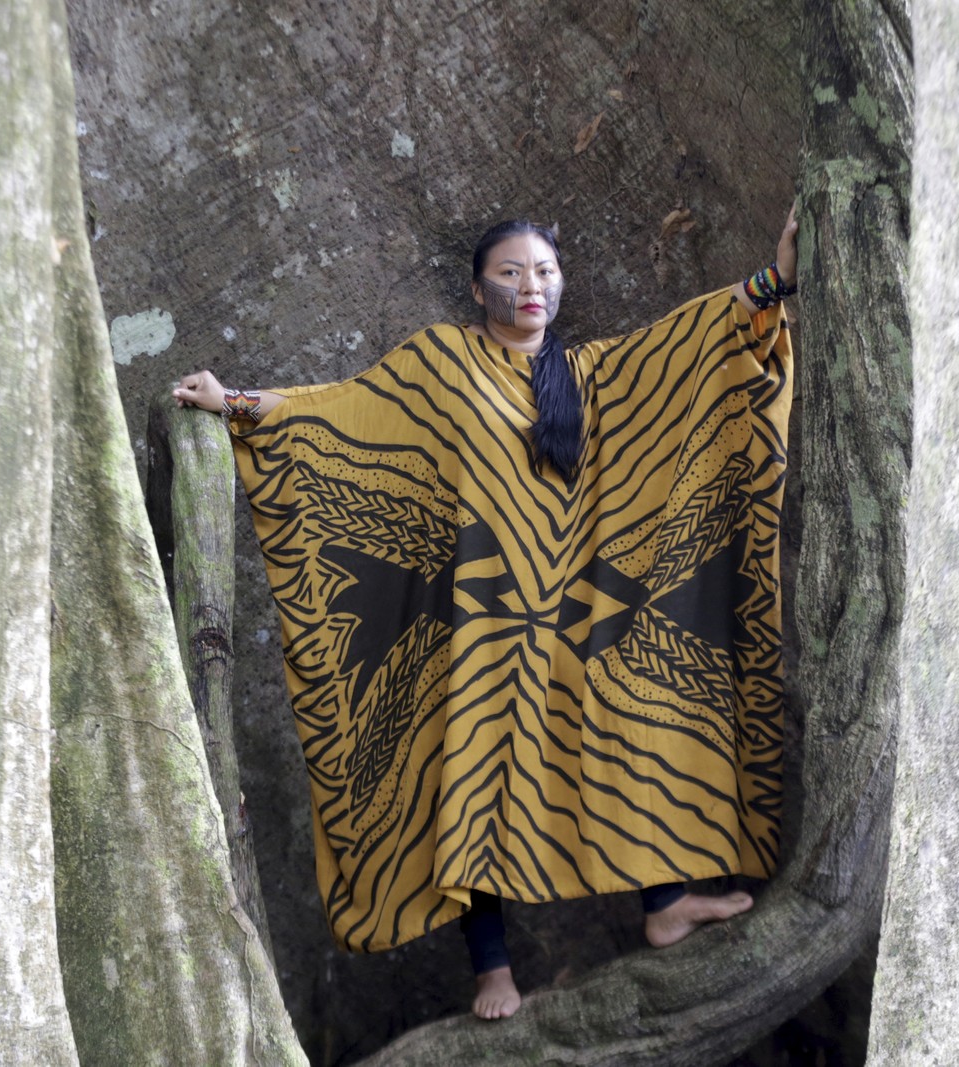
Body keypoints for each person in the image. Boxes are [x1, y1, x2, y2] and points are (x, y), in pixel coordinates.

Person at [174, 208, 798, 1021]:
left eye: (542, 271)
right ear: (478, 287)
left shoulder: (592, 375)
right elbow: (347, 411)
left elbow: (684, 349)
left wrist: (773, 281)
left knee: (627, 738)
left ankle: (666, 903)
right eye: (510, 272)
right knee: (471, 776)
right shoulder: (442, 363)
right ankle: (491, 969)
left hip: (579, 621)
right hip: (477, 627)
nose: (529, 285)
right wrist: (239, 405)